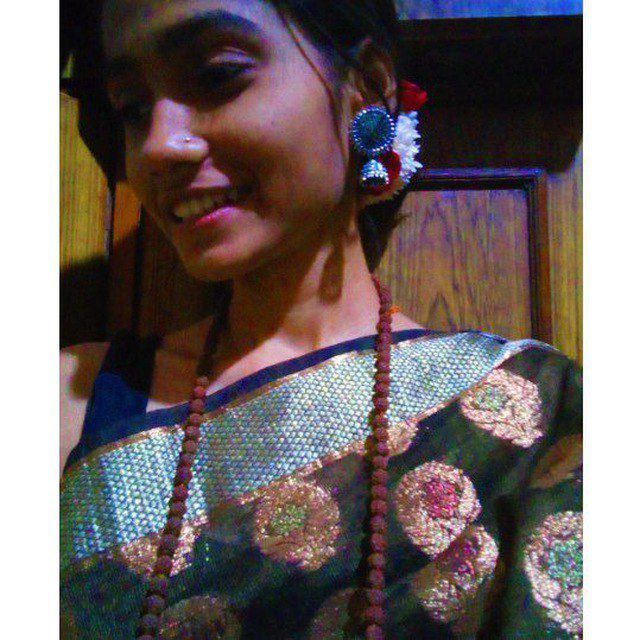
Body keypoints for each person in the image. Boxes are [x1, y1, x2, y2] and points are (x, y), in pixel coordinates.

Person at [60, 1, 583, 638]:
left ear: (368, 88)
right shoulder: (66, 402)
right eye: (132, 108)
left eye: (218, 75)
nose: (157, 145)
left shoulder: (531, 409)